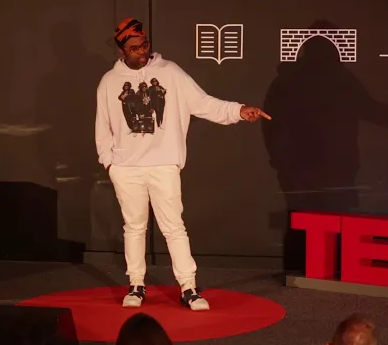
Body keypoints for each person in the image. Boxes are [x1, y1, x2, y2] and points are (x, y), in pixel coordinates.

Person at [95, 17, 270, 311]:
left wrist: (238, 111)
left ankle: (188, 287)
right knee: (134, 228)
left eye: (144, 45)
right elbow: (103, 129)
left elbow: (203, 103)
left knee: (174, 227)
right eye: (135, 48)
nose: (142, 52)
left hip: (164, 165)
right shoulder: (109, 82)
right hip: (126, 168)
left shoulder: (170, 72)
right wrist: (110, 165)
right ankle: (136, 285)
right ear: (122, 50)